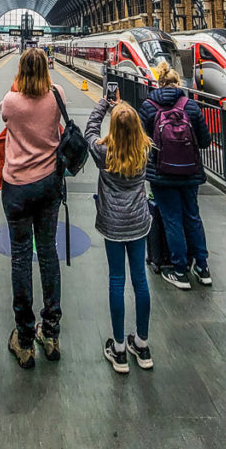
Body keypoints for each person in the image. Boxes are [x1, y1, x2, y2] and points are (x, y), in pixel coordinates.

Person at [0, 47, 65, 368]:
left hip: (17, 190)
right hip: (49, 186)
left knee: (21, 258)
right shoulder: (57, 96)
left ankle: (24, 339)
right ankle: (50, 333)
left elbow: (4, 112)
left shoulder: (12, 102)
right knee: (49, 253)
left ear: (21, 71)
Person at [85, 92, 153, 374]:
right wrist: (125, 110)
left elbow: (89, 130)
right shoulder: (145, 149)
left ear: (112, 128)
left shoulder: (104, 153)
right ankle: (142, 343)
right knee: (140, 280)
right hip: (138, 223)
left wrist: (104, 104)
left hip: (113, 224)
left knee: (116, 280)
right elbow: (136, 132)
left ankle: (119, 349)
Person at [139, 61, 212, 290]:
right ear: (178, 83)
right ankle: (202, 267)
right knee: (192, 216)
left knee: (171, 219)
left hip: (161, 173)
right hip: (190, 172)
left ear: (158, 82)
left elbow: (141, 142)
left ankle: (179, 270)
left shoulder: (148, 106)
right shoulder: (191, 106)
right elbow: (205, 141)